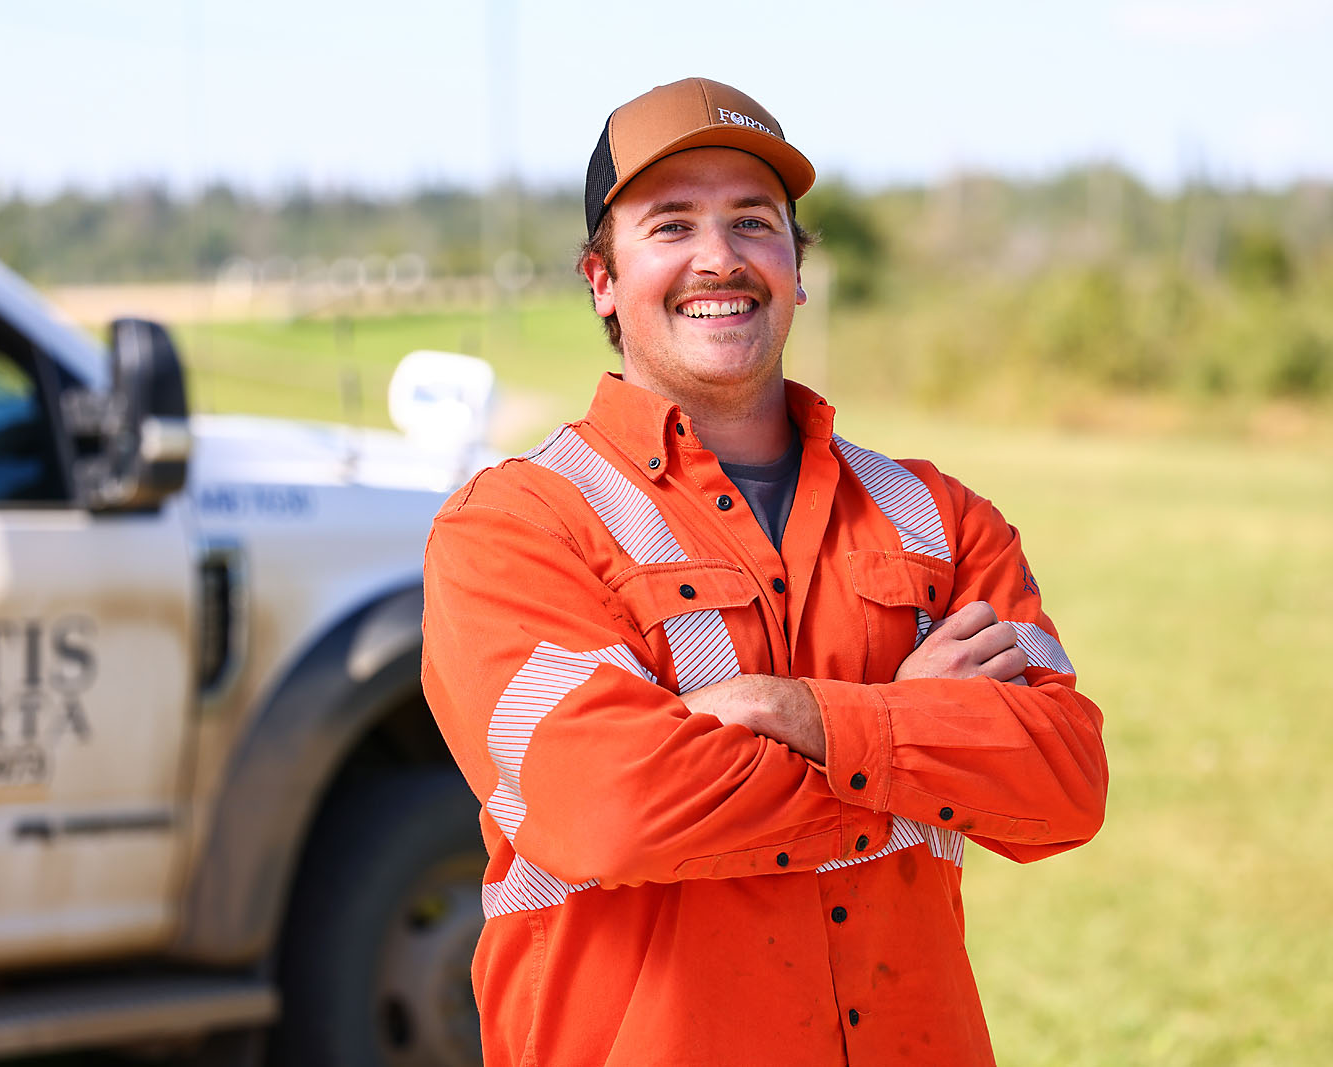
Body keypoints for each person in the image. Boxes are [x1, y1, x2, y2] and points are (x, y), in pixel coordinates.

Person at [422, 77, 1108, 1067]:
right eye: (671, 224)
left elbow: (1061, 779)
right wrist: (914, 736)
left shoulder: (938, 517)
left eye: (753, 221)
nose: (720, 257)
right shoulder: (516, 526)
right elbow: (610, 806)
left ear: (796, 267)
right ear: (602, 278)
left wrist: (798, 713)